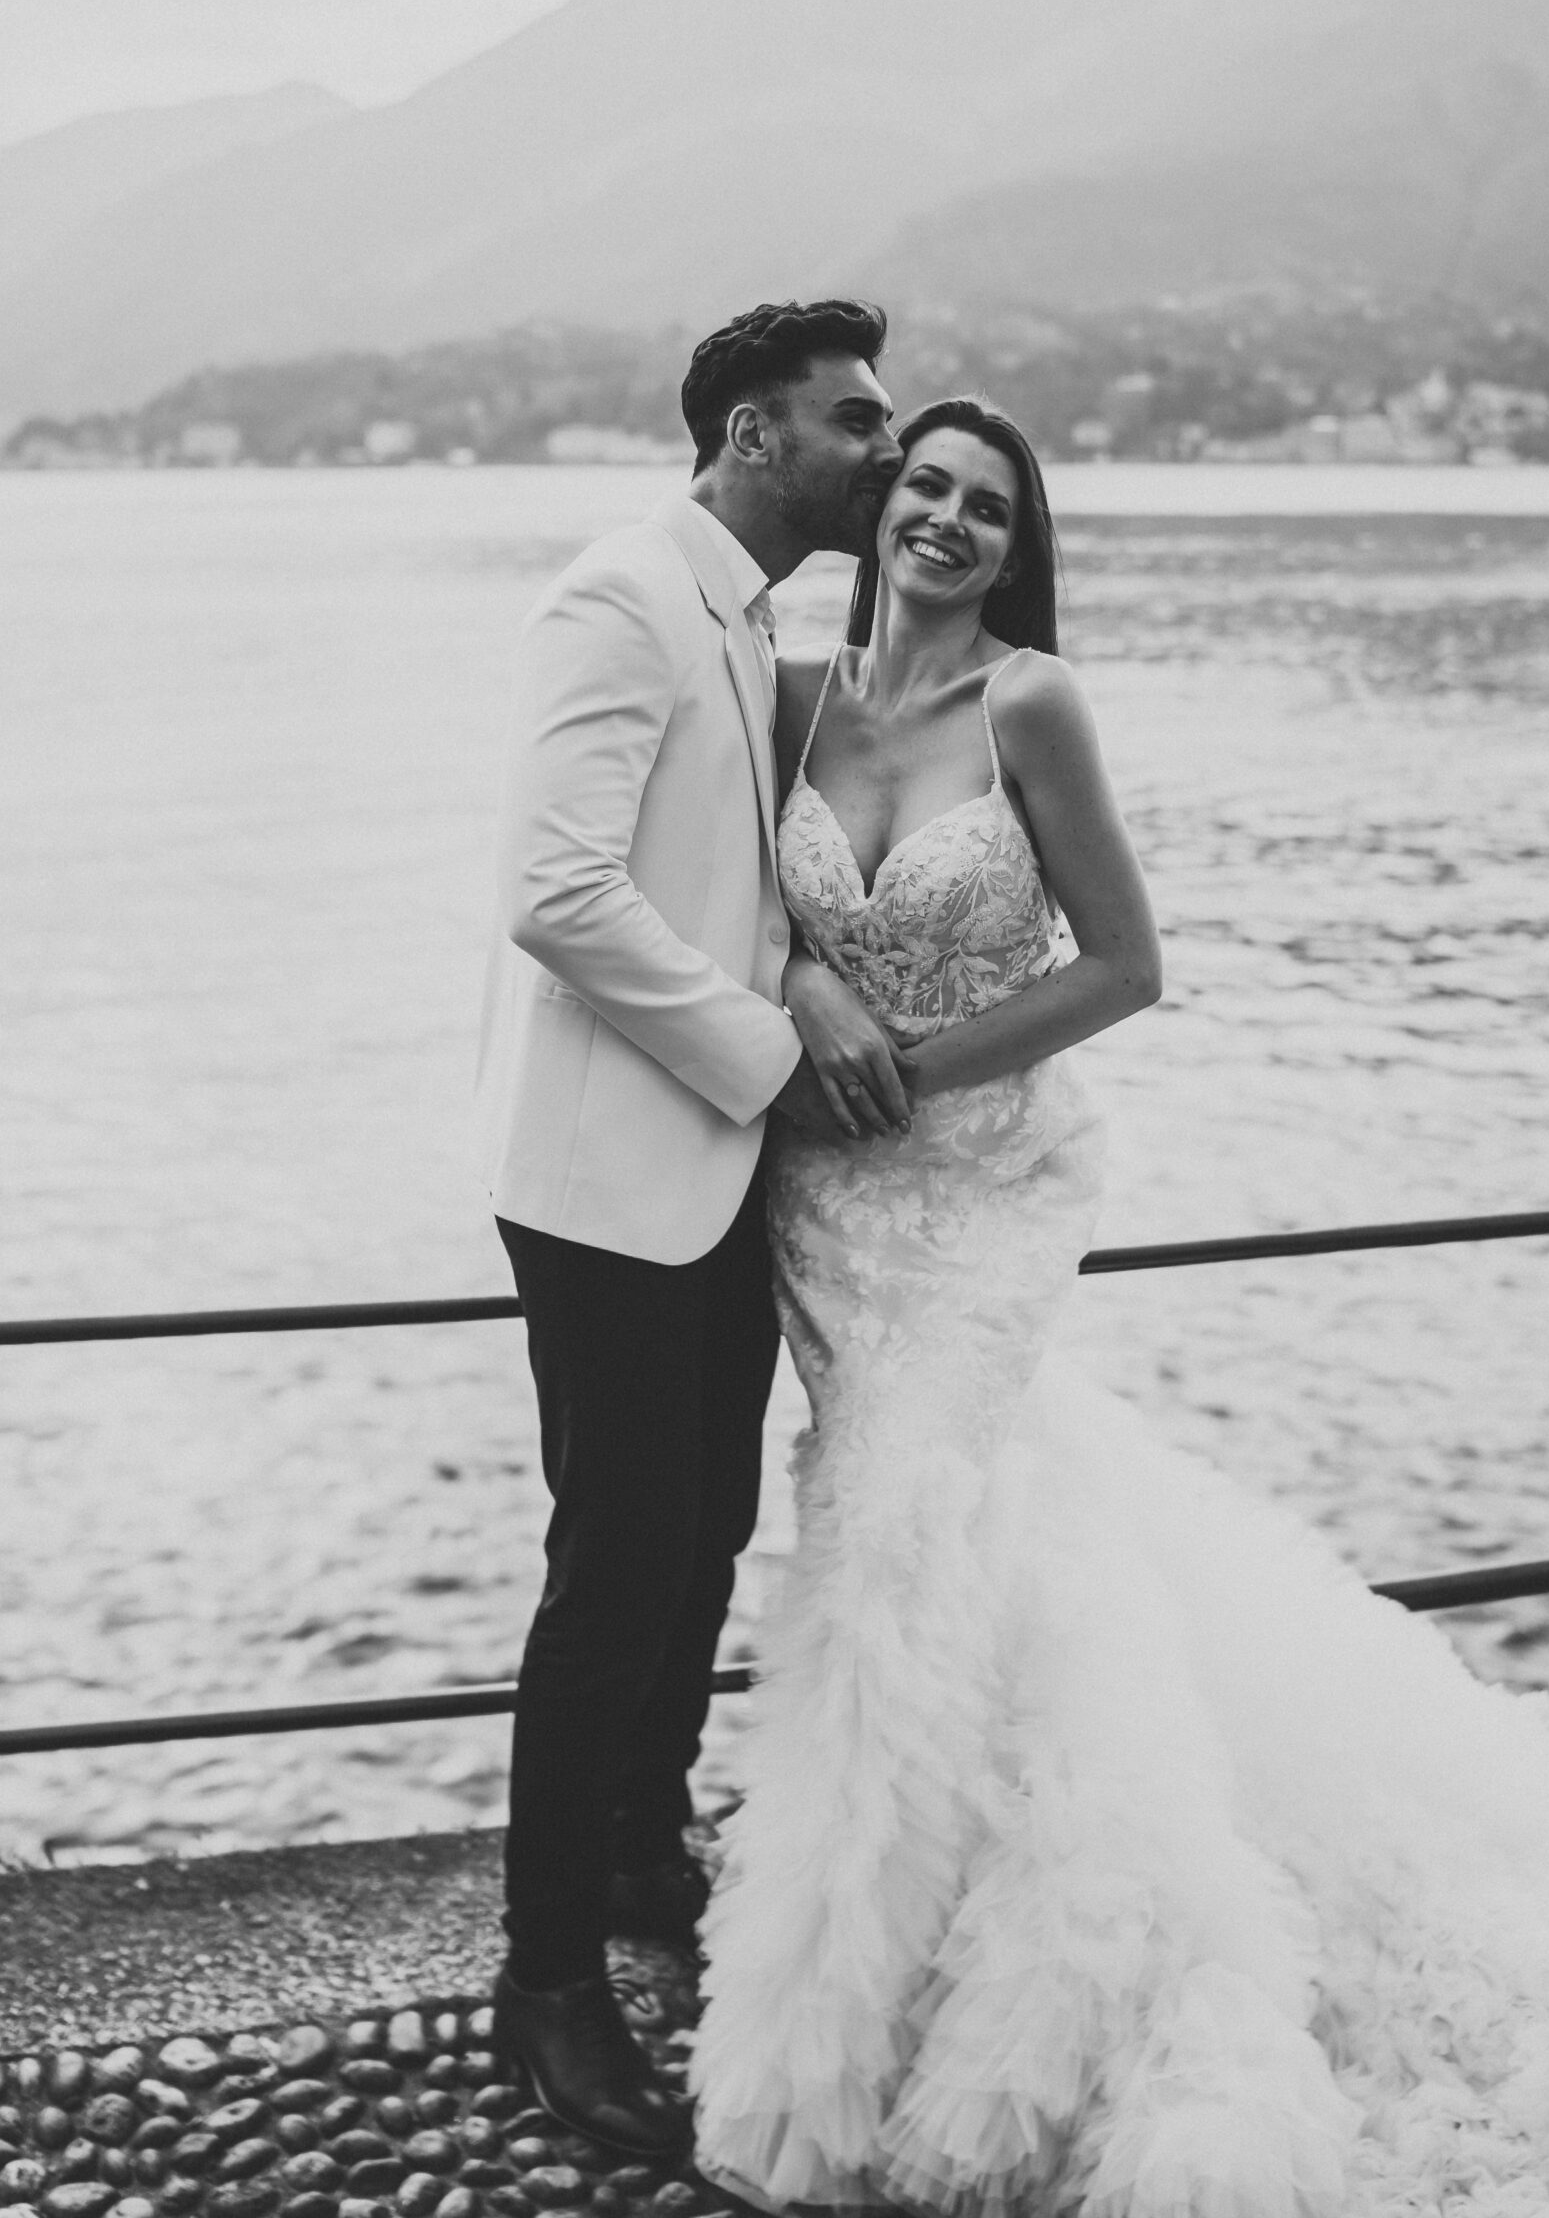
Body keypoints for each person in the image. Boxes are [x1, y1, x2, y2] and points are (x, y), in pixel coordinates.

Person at [691, 398, 1549, 2217]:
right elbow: (727, 902)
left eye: (987, 509)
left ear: (1017, 543)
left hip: (984, 1196)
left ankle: (850, 2049)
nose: (948, 523)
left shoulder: (1032, 705)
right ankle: (900, 1974)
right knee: (944, 1552)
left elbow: (1128, 966)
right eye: (923, 486)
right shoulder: (783, 701)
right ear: (876, 503)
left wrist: (907, 1061)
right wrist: (795, 992)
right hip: (826, 1208)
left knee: (905, 1548)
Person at [474, 298, 915, 2160]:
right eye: (854, 422)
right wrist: (767, 1040)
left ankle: (647, 1850)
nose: (883, 453)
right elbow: (554, 889)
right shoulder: (623, 595)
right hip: (609, 1182)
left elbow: (718, 878)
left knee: (706, 1531)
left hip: (719, 1171)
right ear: (752, 433)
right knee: (616, 1567)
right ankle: (547, 1980)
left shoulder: (745, 616)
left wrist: (801, 978)